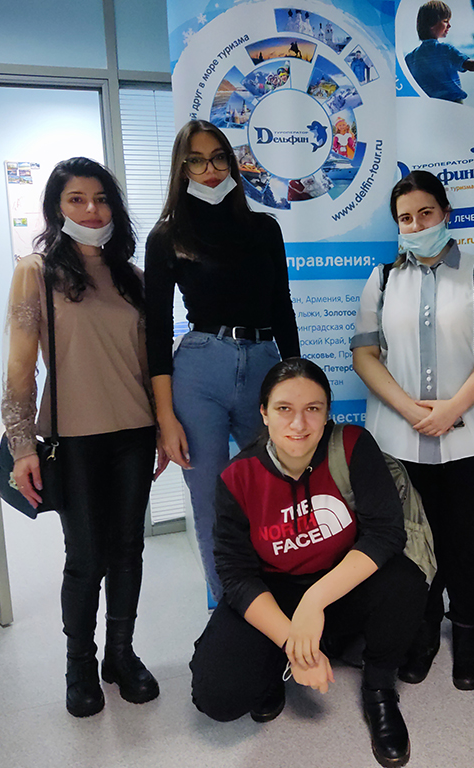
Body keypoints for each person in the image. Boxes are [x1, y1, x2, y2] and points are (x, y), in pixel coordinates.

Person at [190, 359, 426, 768]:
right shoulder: (237, 477)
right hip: (275, 592)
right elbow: (236, 575)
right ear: (264, 413)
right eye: (284, 408)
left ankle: (379, 689)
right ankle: (276, 667)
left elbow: (386, 533)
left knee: (404, 581)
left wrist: (315, 601)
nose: (299, 423)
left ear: (327, 412)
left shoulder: (352, 445)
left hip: (341, 583)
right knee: (218, 698)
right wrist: (292, 643)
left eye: (312, 409)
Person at [3, 157, 165, 717]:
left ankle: (121, 655)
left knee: (128, 550)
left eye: (101, 199)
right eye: (77, 199)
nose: (92, 210)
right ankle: (80, 665)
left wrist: (163, 428)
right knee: (86, 557)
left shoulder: (132, 278)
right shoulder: (37, 272)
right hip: (72, 439)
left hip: (134, 434)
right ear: (57, 208)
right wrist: (22, 444)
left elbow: (149, 366)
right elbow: (19, 368)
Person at [352, 171, 474, 691]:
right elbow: (364, 354)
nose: (417, 224)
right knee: (412, 539)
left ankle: (468, 632)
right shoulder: (382, 280)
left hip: (471, 431)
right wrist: (409, 409)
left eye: (426, 213)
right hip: (401, 435)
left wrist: (451, 410)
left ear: (446, 213)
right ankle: (420, 631)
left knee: (466, 536)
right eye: (406, 218)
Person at [145, 120, 300, 604]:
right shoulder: (167, 237)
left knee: (277, 491)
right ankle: (232, 613)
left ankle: (283, 601)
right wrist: (165, 417)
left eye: (217, 157)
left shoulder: (264, 228)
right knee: (211, 502)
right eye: (195, 160)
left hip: (264, 367)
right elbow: (155, 330)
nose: (209, 169)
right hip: (199, 371)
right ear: (181, 169)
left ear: (232, 163)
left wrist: (297, 380)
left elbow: (282, 308)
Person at [404, 1, 474, 103]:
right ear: (431, 24)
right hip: (453, 105)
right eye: (445, 21)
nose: (449, 25)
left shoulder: (409, 58)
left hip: (428, 105)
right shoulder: (445, 50)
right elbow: (471, 65)